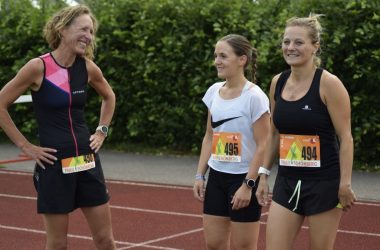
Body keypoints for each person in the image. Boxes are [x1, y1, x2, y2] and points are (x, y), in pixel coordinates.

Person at [0, 5, 116, 250]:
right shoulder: (38, 67)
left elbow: (109, 96)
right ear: (63, 29)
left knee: (105, 241)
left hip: (86, 160)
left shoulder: (87, 68)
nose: (89, 36)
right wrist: (25, 145)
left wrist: (101, 131)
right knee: (58, 244)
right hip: (53, 166)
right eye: (83, 29)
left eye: (91, 31)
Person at [255, 14, 357, 250]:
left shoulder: (329, 84)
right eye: (286, 41)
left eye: (298, 42)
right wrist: (263, 175)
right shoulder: (277, 83)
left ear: (315, 46)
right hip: (287, 181)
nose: (290, 47)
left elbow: (346, 138)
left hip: (324, 184)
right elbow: (273, 134)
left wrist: (345, 184)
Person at [193, 34, 270, 250]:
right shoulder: (213, 92)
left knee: (244, 247)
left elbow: (264, 144)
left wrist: (248, 185)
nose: (217, 60)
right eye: (216, 55)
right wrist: (200, 174)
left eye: (223, 56)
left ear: (242, 59)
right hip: (217, 177)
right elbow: (210, 136)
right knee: (215, 245)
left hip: (244, 178)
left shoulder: (255, 97)